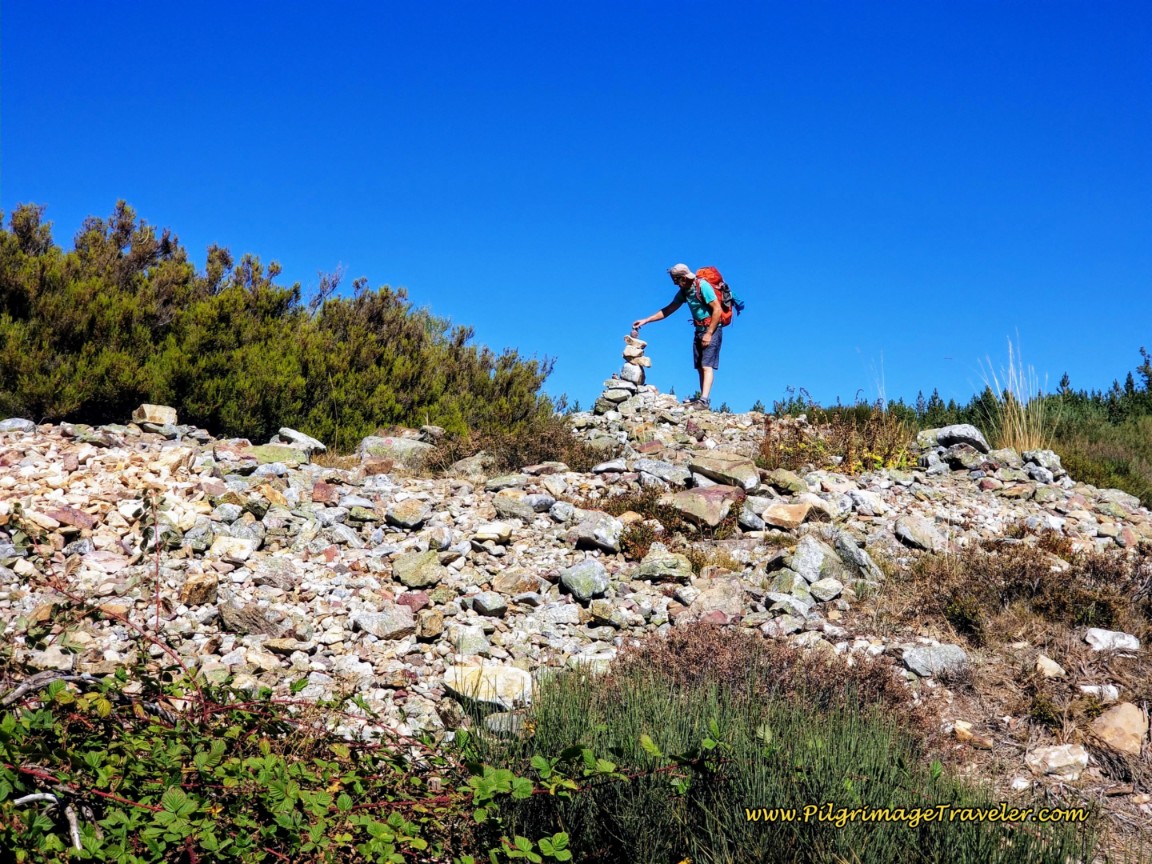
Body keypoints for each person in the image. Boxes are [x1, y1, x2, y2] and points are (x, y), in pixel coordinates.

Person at [632, 263, 724, 409]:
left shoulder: (703, 286)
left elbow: (717, 310)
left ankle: (704, 400)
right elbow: (668, 309)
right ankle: (702, 399)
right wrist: (646, 320)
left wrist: (709, 333)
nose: (675, 284)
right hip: (699, 329)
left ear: (682, 277)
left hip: (711, 329)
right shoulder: (685, 291)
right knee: (700, 366)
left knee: (707, 365)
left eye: (675, 280)